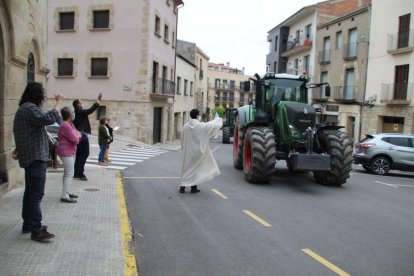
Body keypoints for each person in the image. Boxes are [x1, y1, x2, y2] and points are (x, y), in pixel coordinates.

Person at [13, 82, 64, 241]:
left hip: (31, 157)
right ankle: (37, 229)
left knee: (30, 193)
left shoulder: (24, 109)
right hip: (35, 157)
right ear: (37, 95)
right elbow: (48, 118)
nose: (43, 97)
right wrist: (59, 102)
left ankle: (28, 223)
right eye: (42, 94)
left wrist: (18, 148)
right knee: (36, 194)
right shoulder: (29, 109)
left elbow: (25, 133)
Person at [180, 109, 223, 193]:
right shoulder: (202, 126)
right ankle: (193, 188)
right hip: (198, 152)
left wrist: (183, 149)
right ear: (197, 116)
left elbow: (183, 140)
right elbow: (213, 125)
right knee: (195, 170)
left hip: (188, 152)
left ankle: (182, 187)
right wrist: (217, 119)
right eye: (199, 115)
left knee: (186, 168)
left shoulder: (185, 126)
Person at [72, 93, 102, 180]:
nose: (82, 104)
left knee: (79, 155)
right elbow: (90, 110)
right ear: (78, 105)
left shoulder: (76, 112)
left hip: (78, 135)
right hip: (82, 135)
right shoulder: (80, 111)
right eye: (81, 103)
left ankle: (76, 173)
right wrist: (98, 101)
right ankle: (80, 173)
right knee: (85, 154)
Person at [57, 106, 82, 203]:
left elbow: (76, 133)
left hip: (70, 151)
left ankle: (67, 191)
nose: (73, 113)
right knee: (69, 173)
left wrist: (77, 135)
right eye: (72, 112)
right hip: (66, 152)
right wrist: (78, 136)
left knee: (67, 172)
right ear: (68, 114)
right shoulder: (65, 125)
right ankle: (64, 196)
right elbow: (75, 139)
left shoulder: (70, 124)